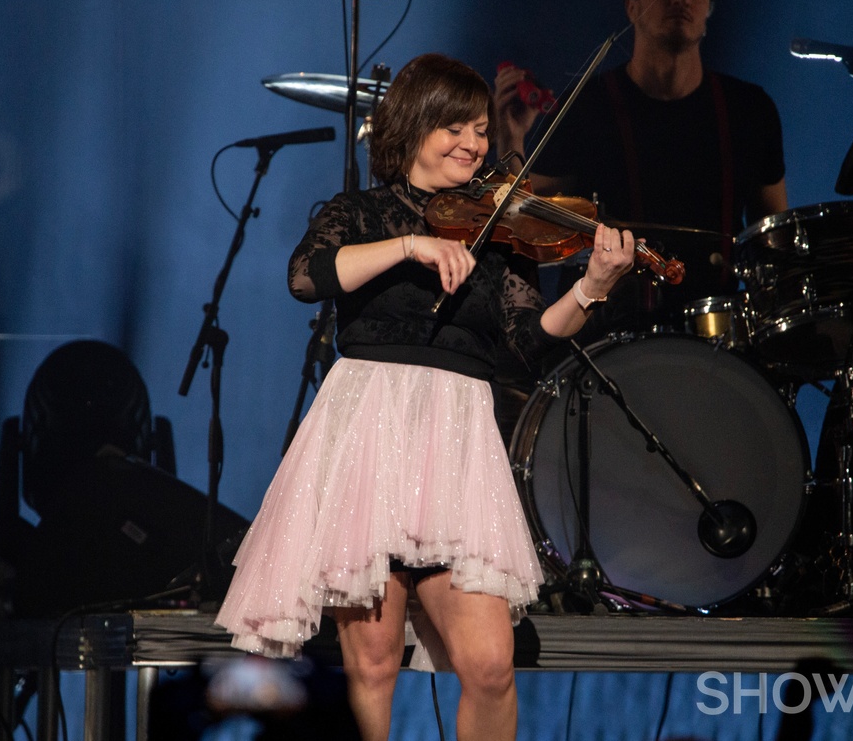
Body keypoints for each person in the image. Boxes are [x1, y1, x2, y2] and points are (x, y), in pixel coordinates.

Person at [214, 53, 635, 741]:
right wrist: (409, 245)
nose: (474, 143)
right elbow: (306, 276)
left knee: (491, 664)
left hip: (457, 447)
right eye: (455, 128)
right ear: (412, 125)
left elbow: (529, 339)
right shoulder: (360, 211)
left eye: (479, 129)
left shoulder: (500, 230)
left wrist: (591, 288)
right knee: (375, 664)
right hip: (369, 433)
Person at [495, 0, 787, 333]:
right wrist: (511, 138)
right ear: (631, 7)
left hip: (714, 338)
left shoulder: (750, 109)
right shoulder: (587, 104)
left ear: (709, 10)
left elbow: (774, 236)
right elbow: (520, 213)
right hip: (606, 333)